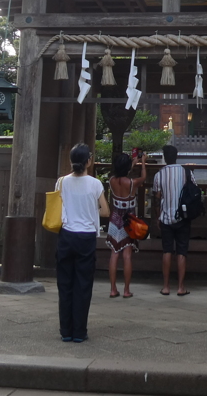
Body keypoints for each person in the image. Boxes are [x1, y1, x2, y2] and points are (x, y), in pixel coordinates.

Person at [56, 143, 109, 343]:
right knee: (83, 285)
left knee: (65, 284)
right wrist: (91, 207)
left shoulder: (61, 182)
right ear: (89, 161)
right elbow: (105, 212)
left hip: (66, 235)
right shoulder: (95, 184)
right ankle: (79, 331)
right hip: (86, 237)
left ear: (71, 161)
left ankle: (65, 331)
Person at [151, 143, 193, 296]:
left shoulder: (159, 175)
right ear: (176, 157)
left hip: (166, 217)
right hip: (183, 217)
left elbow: (156, 199)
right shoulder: (186, 172)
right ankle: (181, 287)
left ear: (164, 158)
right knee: (182, 251)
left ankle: (166, 286)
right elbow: (195, 190)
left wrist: (158, 216)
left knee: (167, 250)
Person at [106, 151, 147, 298]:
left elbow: (123, 172)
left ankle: (112, 289)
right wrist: (142, 163)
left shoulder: (111, 180)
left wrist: (132, 162)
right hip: (128, 221)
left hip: (114, 219)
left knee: (114, 254)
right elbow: (143, 177)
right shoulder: (132, 183)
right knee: (127, 255)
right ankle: (126, 290)